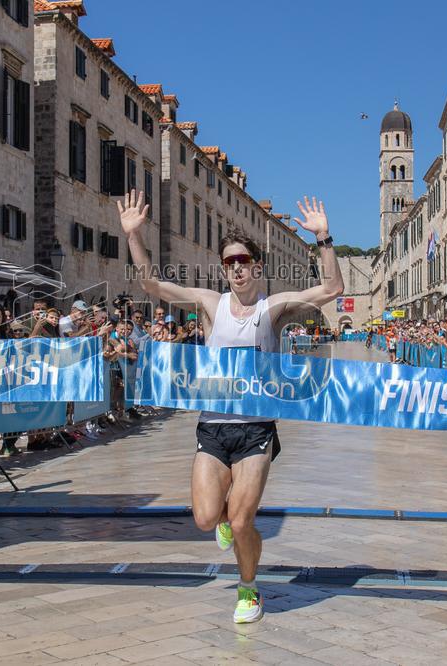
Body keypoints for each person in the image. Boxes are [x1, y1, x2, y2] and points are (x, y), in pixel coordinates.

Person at [119, 189, 343, 623]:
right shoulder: (209, 305)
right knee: (206, 520)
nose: (237, 268)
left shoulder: (273, 308)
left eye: (243, 261)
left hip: (257, 428)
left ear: (257, 266)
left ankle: (248, 589)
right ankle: (225, 518)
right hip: (213, 427)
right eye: (229, 262)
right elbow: (151, 285)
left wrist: (324, 238)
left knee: (242, 523)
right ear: (223, 269)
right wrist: (133, 236)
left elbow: (333, 287)